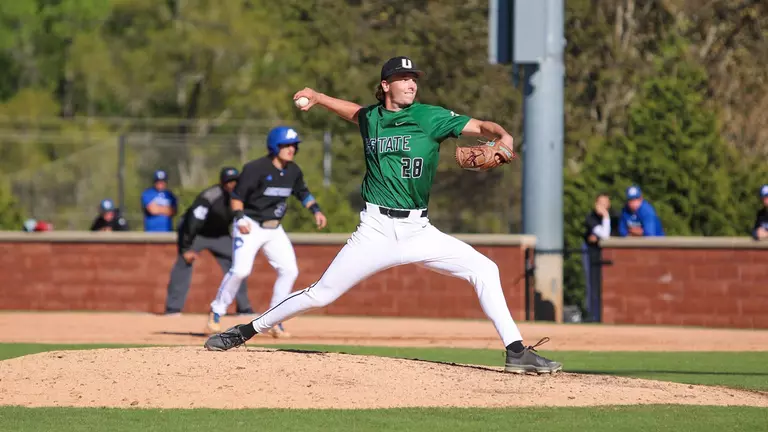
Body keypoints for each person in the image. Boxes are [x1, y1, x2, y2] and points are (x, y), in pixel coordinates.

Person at [203, 56, 562, 375]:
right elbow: (353, 112)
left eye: (414, 78)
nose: (411, 83)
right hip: (375, 230)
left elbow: (482, 127)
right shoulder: (372, 118)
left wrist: (504, 135)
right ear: (386, 85)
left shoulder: (430, 117)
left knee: (485, 269)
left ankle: (516, 352)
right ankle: (245, 331)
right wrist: (319, 97)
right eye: (403, 78)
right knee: (320, 294)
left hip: (419, 230)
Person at [205, 126, 328, 337]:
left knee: (289, 270)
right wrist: (239, 218)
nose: (291, 149)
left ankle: (274, 320)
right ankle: (216, 311)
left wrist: (316, 210)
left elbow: (303, 193)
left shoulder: (293, 171)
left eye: (294, 145)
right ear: (274, 146)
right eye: (286, 145)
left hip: (274, 228)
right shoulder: (255, 169)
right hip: (249, 224)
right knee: (241, 271)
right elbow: (236, 197)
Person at [164, 167, 254, 317]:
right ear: (222, 183)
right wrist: (185, 248)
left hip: (220, 235)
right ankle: (172, 309)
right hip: (196, 234)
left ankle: (244, 308)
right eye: (229, 182)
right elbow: (193, 222)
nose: (232, 185)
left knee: (238, 264)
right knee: (183, 263)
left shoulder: (240, 197)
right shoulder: (210, 196)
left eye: (235, 181)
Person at [581, 193, 612, 322]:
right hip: (591, 253)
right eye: (600, 203)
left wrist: (607, 217)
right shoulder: (591, 217)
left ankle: (601, 317)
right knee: (592, 285)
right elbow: (605, 235)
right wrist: (606, 217)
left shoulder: (614, 216)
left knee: (605, 285)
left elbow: (609, 236)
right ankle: (593, 316)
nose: (602, 206)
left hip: (606, 256)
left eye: (605, 203)